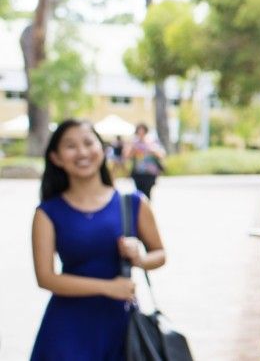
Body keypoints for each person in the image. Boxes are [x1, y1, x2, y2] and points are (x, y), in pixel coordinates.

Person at [31, 119, 167, 361]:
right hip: (66, 331)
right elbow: (46, 277)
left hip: (120, 328)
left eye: (88, 143)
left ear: (102, 150)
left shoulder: (132, 202)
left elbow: (160, 254)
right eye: (70, 146)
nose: (82, 152)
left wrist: (140, 258)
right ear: (56, 157)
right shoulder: (47, 212)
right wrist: (108, 287)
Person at [122, 123, 166, 200]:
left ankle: (146, 208)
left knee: (147, 193)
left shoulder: (152, 141)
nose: (141, 133)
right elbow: (126, 156)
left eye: (142, 131)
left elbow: (162, 154)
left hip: (150, 172)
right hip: (138, 172)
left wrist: (151, 149)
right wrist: (133, 150)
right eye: (139, 131)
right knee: (139, 194)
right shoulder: (134, 143)